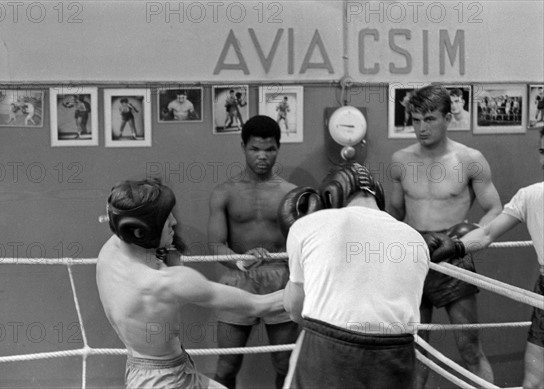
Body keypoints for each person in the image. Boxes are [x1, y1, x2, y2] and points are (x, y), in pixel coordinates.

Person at [97, 178, 285, 389]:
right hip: (166, 382)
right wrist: (317, 284)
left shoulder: (110, 250)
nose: (174, 222)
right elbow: (259, 305)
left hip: (145, 372)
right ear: (144, 231)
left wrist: (240, 262)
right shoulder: (169, 283)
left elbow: (131, 217)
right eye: (165, 219)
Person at [390, 84, 502, 388]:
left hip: (454, 258)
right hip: (414, 258)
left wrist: (468, 240)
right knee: (414, 350)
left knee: (469, 347)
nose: (421, 128)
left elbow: (495, 208)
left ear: (447, 117)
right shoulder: (400, 160)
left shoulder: (469, 159)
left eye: (429, 119)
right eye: (415, 120)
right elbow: (394, 215)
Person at [281, 163, 430, 388]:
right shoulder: (416, 240)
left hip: (330, 347)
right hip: (396, 353)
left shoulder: (308, 225)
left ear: (330, 196)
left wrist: (295, 263)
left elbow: (295, 310)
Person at [426, 128, 544, 389]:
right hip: (543, 290)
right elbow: (488, 232)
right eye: (542, 151)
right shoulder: (531, 196)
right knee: (534, 383)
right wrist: (454, 248)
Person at [207, 115, 299, 389]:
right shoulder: (224, 192)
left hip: (280, 280)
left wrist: (281, 256)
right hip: (238, 280)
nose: (262, 156)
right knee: (226, 366)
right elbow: (216, 246)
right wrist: (240, 261)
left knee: (286, 364)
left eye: (269, 149)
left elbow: (300, 245)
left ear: (278, 149)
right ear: (243, 146)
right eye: (255, 149)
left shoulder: (291, 193)